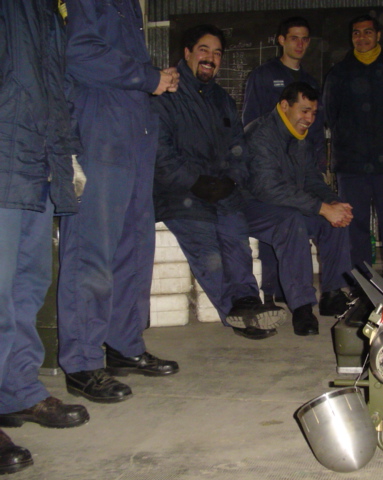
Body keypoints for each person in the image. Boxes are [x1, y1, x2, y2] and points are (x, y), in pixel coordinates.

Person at [57, 0, 181, 405]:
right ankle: (81, 361)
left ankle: (124, 344)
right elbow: (79, 52)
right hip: (99, 126)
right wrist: (148, 76)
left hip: (134, 126)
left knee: (134, 244)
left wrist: (152, 80)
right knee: (91, 249)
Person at [152, 24, 287, 341]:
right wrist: (196, 182)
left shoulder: (223, 100)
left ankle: (248, 300)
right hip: (180, 196)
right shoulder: (165, 96)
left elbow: (239, 149)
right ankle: (239, 314)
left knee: (236, 241)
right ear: (187, 53)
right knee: (209, 253)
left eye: (216, 53)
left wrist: (231, 180)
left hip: (222, 192)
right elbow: (160, 156)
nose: (210, 58)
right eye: (203, 50)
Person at [0, 0, 89, 474]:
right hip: (4, 154)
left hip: (36, 164)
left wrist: (65, 157)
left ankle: (16, 389)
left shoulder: (48, 12)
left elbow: (55, 89)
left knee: (27, 287)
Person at [244, 82, 353, 336]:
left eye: (313, 113)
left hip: (284, 203)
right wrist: (320, 207)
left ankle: (333, 293)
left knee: (333, 221)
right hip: (250, 206)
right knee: (291, 221)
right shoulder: (261, 134)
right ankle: (302, 307)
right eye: (304, 111)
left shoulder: (298, 136)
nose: (310, 119)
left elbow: (312, 180)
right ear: (285, 106)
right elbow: (267, 189)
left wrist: (333, 203)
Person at [323, 14, 383, 280]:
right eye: (356, 33)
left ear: (378, 36)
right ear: (351, 37)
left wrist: (382, 136)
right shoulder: (339, 73)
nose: (361, 37)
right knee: (354, 225)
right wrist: (353, 139)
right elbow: (330, 114)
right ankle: (360, 282)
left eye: (367, 32)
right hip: (350, 165)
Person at [242, 16, 326, 307]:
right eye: (293, 38)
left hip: (302, 162)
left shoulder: (310, 81)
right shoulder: (263, 75)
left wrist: (320, 166)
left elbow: (316, 128)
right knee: (278, 218)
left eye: (304, 39)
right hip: (266, 163)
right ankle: (273, 290)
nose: (299, 44)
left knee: (302, 217)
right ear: (281, 40)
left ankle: (316, 291)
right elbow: (250, 121)